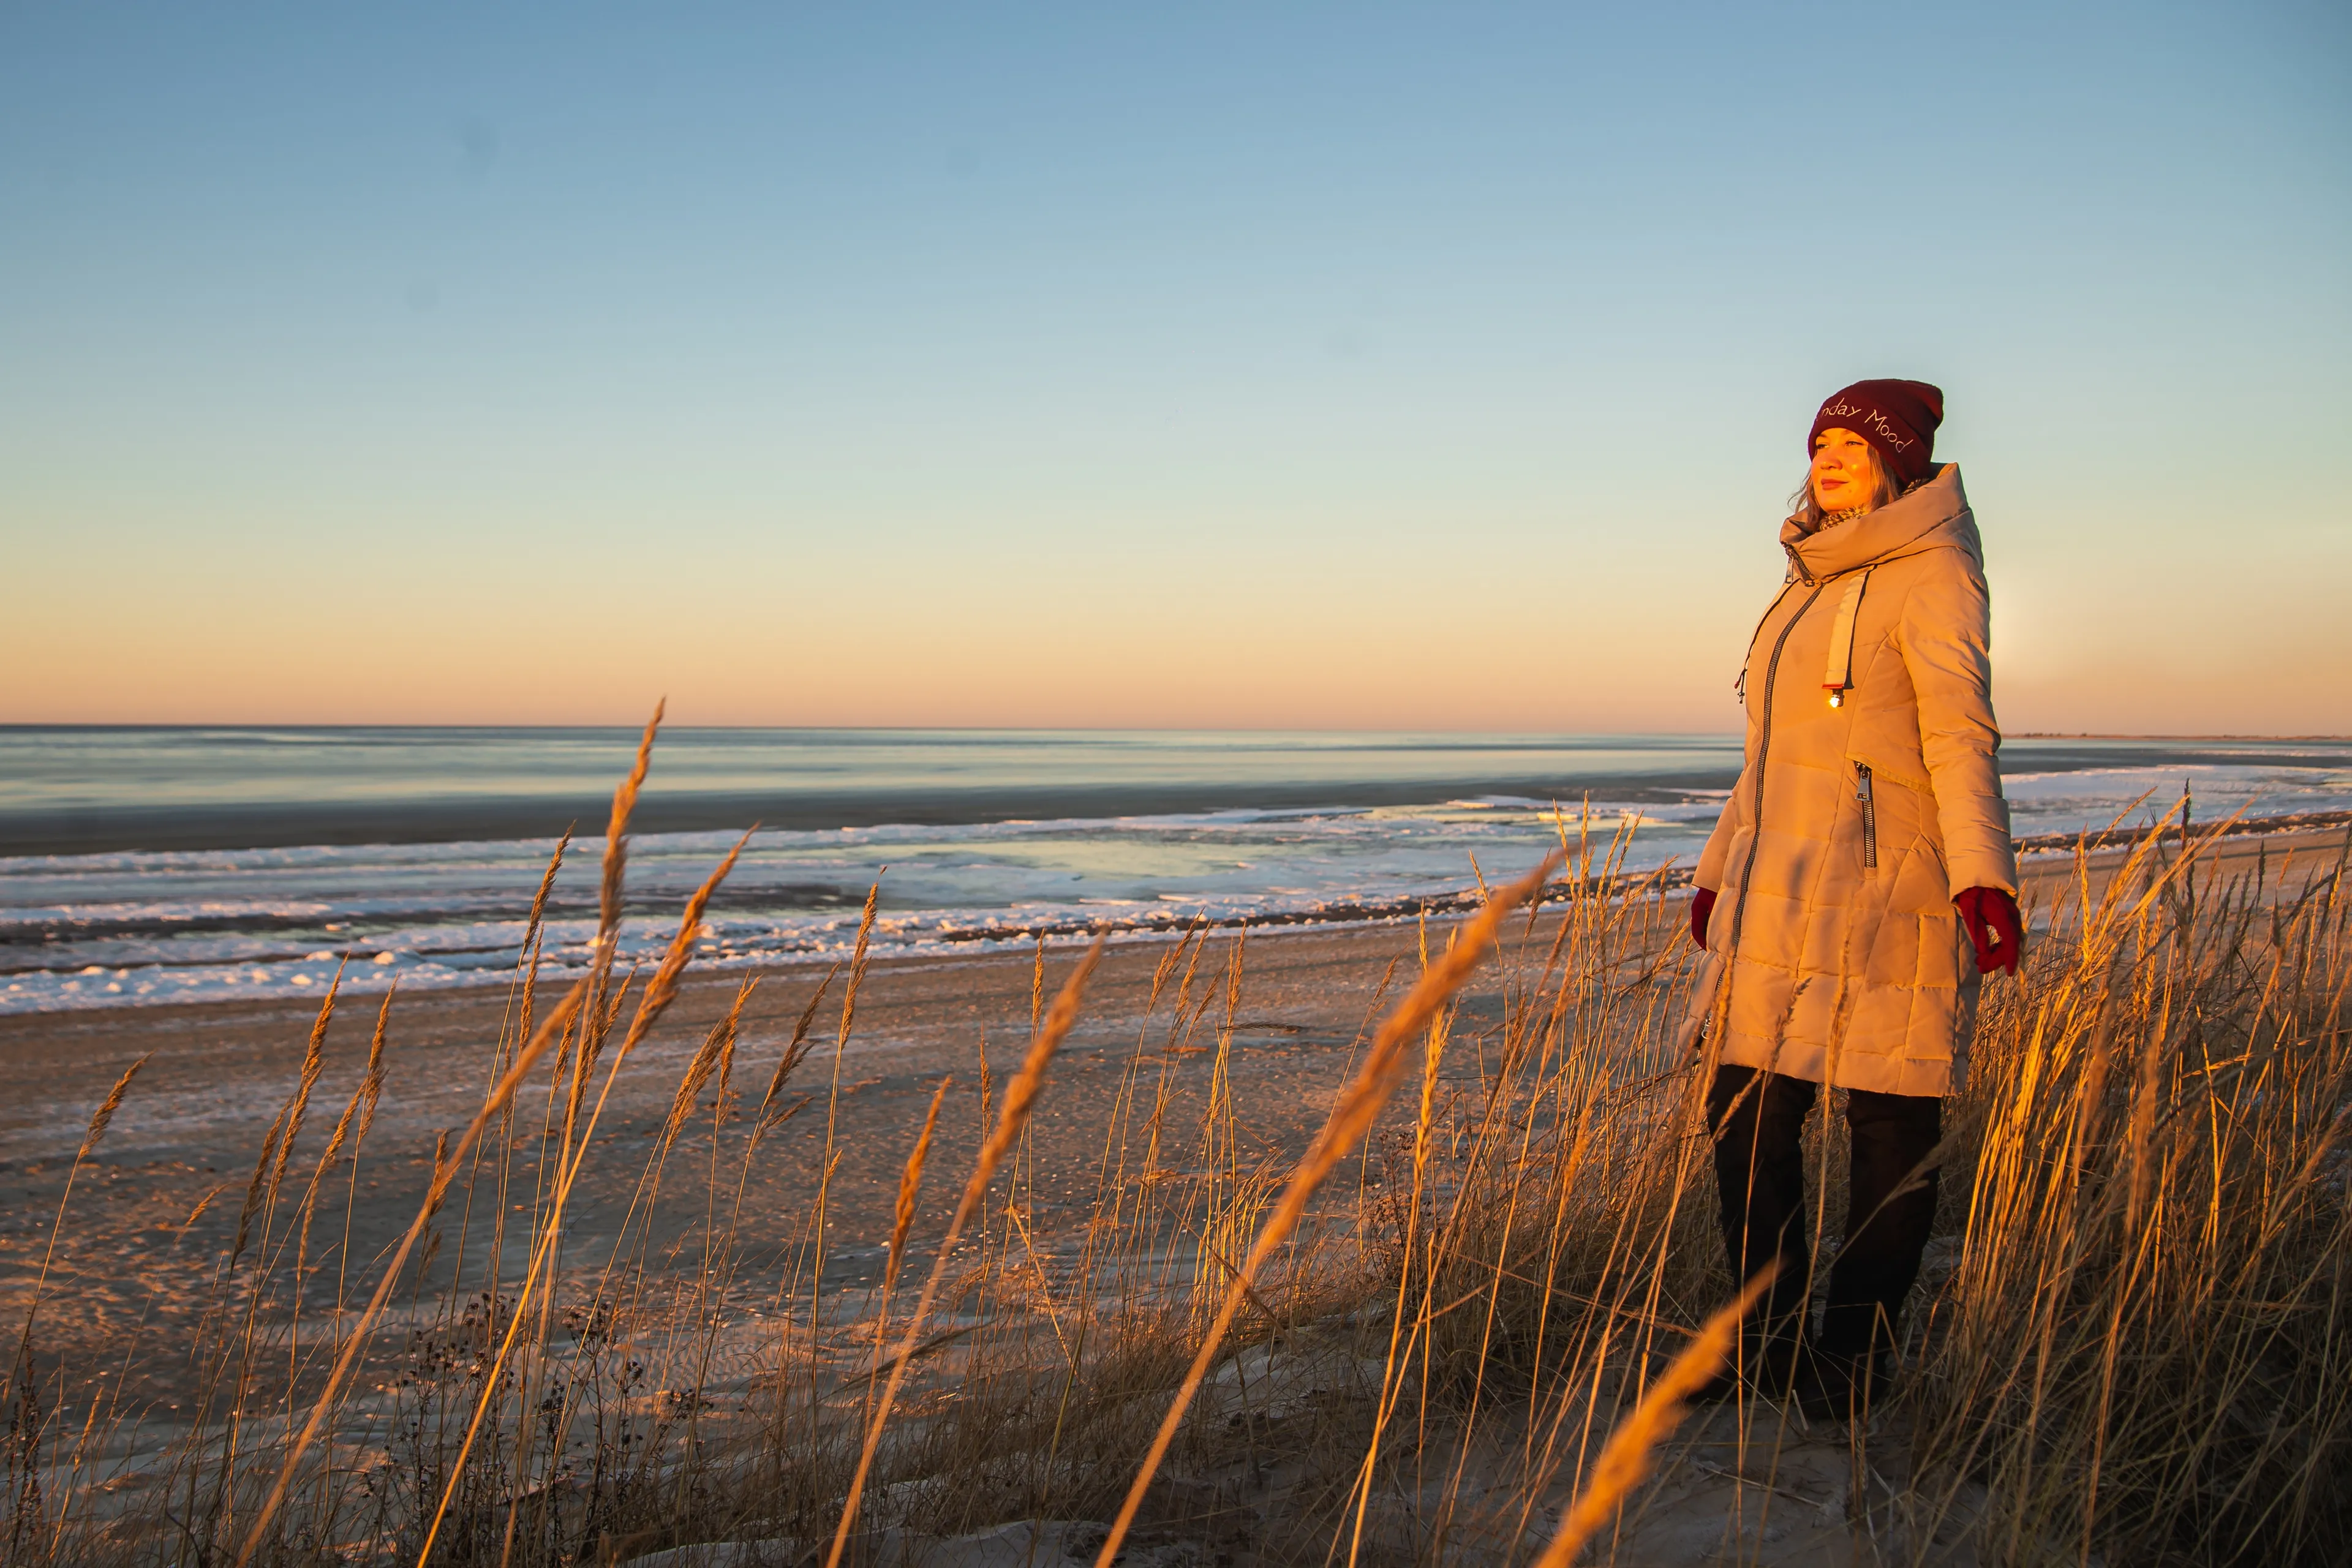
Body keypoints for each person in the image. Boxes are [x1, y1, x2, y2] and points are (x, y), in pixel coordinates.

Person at [1684, 378, 2023, 1417]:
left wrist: (1983, 877)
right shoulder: (1804, 584)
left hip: (1890, 893)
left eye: (1852, 444)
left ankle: (1852, 1361)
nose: (1827, 457)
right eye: (1820, 440)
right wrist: (1714, 870)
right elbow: (1767, 756)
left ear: (1898, 460)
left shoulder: (1935, 574)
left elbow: (1962, 736)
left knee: (1889, 1125)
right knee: (1744, 1115)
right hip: (1778, 889)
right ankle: (1763, 1346)